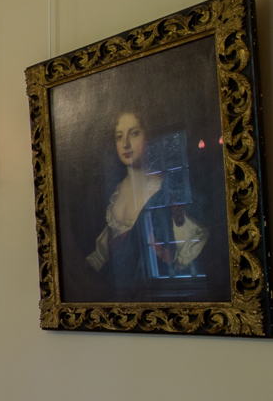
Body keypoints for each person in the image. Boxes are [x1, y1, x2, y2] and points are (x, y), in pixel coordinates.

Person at [84, 108, 207, 288]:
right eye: (119, 137)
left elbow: (187, 253)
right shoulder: (114, 193)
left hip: (153, 288)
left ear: (147, 137)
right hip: (117, 292)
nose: (125, 144)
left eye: (134, 133)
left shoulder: (165, 189)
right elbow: (101, 254)